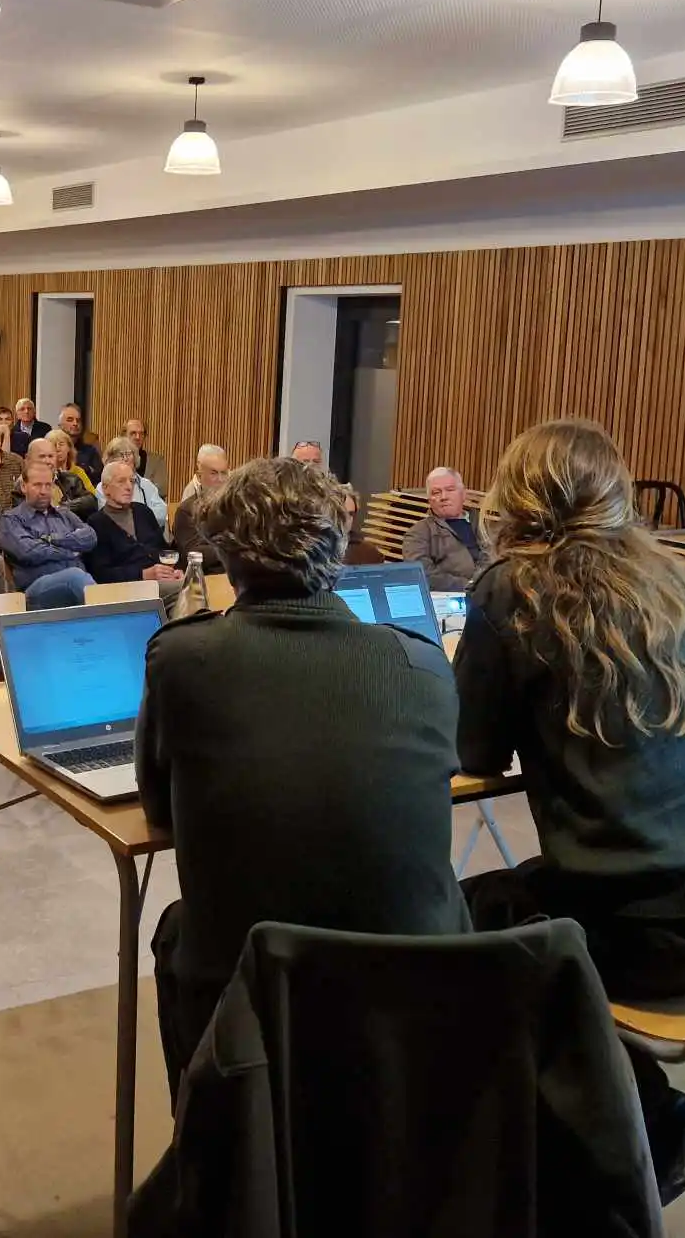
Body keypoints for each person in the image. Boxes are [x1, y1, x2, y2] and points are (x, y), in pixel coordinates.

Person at [453, 418, 685, 1206]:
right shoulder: (672, 583)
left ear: (516, 497)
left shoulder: (508, 591)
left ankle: (637, 1119)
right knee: (516, 904)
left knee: (450, 922)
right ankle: (623, 1114)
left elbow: (475, 753)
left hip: (638, 923)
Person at [137, 457, 464, 1092]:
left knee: (177, 927)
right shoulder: (422, 664)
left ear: (227, 555)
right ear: (339, 547)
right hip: (412, 994)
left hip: (251, 994)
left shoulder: (183, 657)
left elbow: (159, 811)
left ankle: (207, 1144)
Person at [0, 462, 98, 610]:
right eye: (37, 485)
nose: (43, 491)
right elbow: (29, 552)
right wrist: (71, 550)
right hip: (36, 589)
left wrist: (54, 539)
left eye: (48, 485)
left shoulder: (64, 513)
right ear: (24, 487)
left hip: (77, 582)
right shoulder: (11, 519)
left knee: (78, 578)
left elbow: (90, 537)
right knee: (75, 577)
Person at [85, 460, 182, 591]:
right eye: (121, 481)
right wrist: (143, 574)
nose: (129, 487)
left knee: (192, 585)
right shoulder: (96, 523)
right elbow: (101, 574)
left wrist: (174, 570)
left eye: (131, 481)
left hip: (161, 583)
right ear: (105, 488)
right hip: (128, 590)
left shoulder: (143, 511)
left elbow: (163, 550)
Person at [402, 465, 489, 591]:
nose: (443, 497)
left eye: (450, 489)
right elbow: (421, 574)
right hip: (453, 599)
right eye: (436, 492)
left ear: (463, 494)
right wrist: (470, 585)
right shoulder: (418, 533)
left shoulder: (485, 526)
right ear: (429, 500)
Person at [97, 435, 169, 522]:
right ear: (110, 461)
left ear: (135, 457)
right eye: (120, 454)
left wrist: (139, 520)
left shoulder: (146, 484)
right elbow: (108, 516)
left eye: (128, 454)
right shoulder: (103, 486)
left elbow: (161, 512)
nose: (125, 459)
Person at [22, 437, 95, 517]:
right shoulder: (23, 485)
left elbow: (91, 501)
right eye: (42, 456)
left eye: (50, 456)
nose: (47, 461)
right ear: (28, 459)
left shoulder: (71, 479)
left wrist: (65, 507)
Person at [339, 483, 388, 564]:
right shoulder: (313, 550)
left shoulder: (370, 554)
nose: (346, 519)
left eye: (350, 514)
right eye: (341, 513)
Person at [56, 404, 101, 480]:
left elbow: (99, 476)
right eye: (70, 420)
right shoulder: (51, 448)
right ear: (60, 424)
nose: (75, 423)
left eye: (78, 420)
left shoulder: (91, 451)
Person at [44, 427, 94, 494]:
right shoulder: (43, 474)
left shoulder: (78, 472)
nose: (58, 448)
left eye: (61, 444)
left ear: (69, 447)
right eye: (54, 445)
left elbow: (92, 496)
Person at [125, 416, 164, 489]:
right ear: (124, 435)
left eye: (141, 434)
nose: (137, 437)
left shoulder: (156, 461)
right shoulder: (115, 459)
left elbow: (162, 489)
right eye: (133, 433)